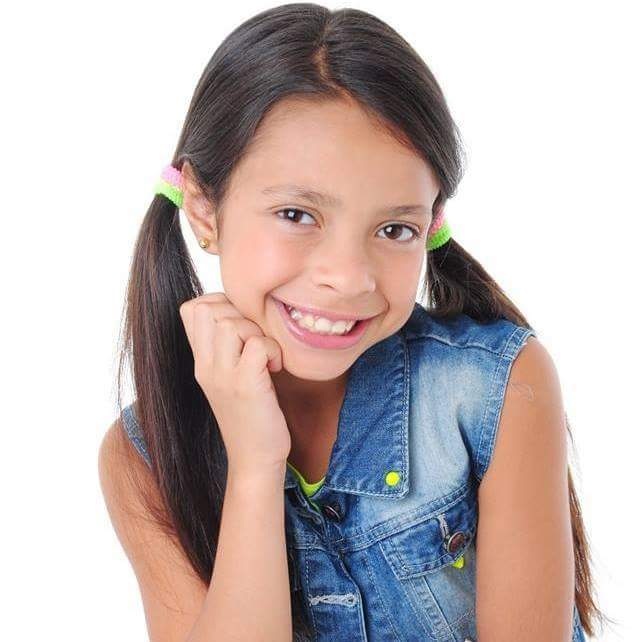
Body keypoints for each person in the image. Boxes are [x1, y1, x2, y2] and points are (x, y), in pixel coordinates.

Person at [98, 4, 606, 641]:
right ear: (204, 209)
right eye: (297, 215)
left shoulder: (496, 388)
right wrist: (255, 464)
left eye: (394, 229)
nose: (348, 277)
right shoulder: (145, 454)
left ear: (431, 222)